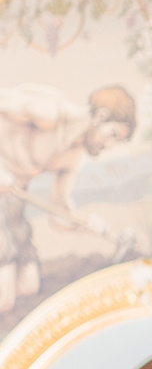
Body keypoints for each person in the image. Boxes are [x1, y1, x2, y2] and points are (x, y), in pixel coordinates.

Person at [0, 82, 135, 300]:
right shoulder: (49, 111)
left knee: (28, 286)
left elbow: (58, 214)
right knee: (5, 298)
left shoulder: (73, 157)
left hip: (13, 201)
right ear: (100, 117)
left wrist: (84, 223)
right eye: (113, 134)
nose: (109, 145)